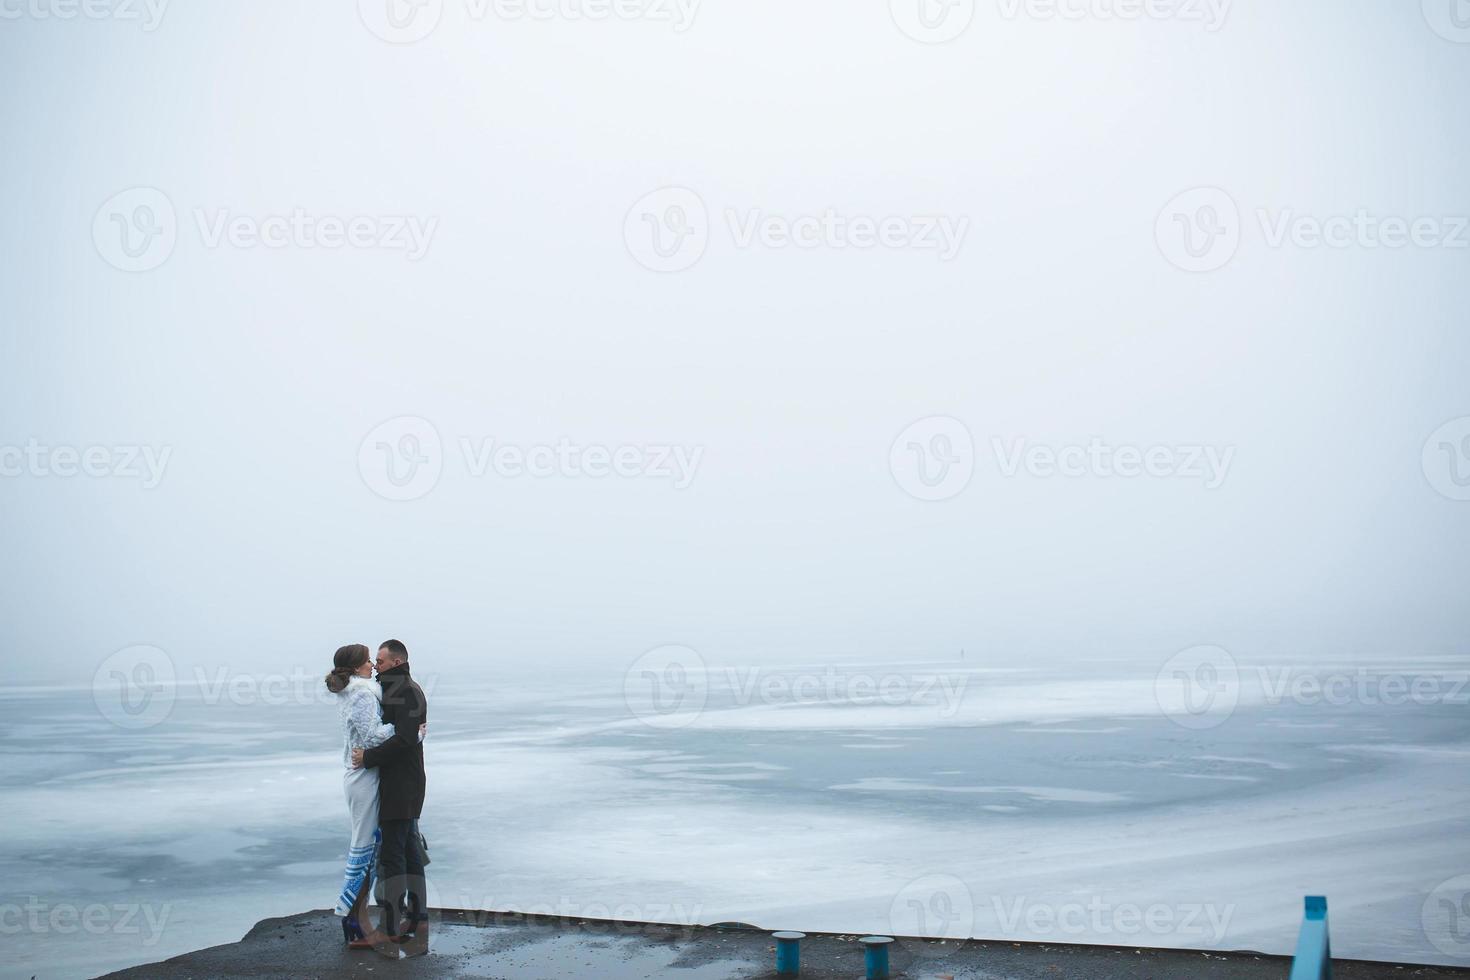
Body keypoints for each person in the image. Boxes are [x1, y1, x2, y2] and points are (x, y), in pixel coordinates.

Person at [352, 638, 429, 958]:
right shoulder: (395, 688)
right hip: (403, 782)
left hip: (402, 785)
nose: (375, 668)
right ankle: (419, 917)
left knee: (393, 857)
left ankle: (388, 928)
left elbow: (406, 739)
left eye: (380, 663)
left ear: (396, 662)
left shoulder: (407, 690)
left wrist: (367, 758)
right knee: (410, 850)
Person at [324, 643, 395, 949]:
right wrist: (408, 730)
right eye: (367, 661)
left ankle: (356, 918)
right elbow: (371, 738)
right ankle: (355, 921)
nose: (371, 665)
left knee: (366, 847)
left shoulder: (349, 692)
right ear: (355, 668)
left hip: (357, 776)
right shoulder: (363, 693)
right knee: (364, 851)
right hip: (364, 777)